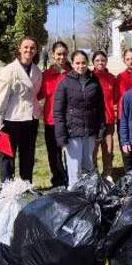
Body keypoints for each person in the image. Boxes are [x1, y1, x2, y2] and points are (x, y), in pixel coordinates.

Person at [0, 36, 43, 183]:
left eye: (32, 48)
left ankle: (26, 185)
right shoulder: (9, 70)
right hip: (10, 119)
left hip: (30, 120)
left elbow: (34, 96)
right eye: (26, 47)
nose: (29, 50)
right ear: (19, 49)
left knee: (28, 155)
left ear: (36, 50)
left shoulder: (37, 71)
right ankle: (7, 188)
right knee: (8, 156)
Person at [54, 50, 105, 186]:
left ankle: (89, 197)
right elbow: (58, 112)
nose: (81, 66)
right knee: (74, 169)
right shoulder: (65, 83)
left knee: (89, 166)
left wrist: (101, 129)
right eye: (77, 63)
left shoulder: (94, 81)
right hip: (73, 133)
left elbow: (100, 108)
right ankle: (74, 196)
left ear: (87, 63)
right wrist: (61, 136)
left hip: (90, 131)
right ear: (72, 64)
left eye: (83, 63)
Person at [38, 41, 71, 188]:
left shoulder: (74, 73)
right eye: (58, 54)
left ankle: (73, 178)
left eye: (64, 54)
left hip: (70, 119)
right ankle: (58, 179)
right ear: (53, 55)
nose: (62, 57)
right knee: (54, 153)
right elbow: (37, 95)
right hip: (51, 120)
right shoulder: (46, 75)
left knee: (71, 152)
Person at [91, 50, 117, 179]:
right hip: (94, 120)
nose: (100, 62)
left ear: (106, 61)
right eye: (97, 60)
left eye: (103, 60)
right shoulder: (89, 77)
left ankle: (107, 173)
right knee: (93, 150)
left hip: (108, 119)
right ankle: (94, 175)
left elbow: (116, 98)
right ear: (93, 63)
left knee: (108, 149)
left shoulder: (111, 78)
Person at [116, 48, 132, 171]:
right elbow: (116, 98)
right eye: (128, 59)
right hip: (124, 117)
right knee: (126, 149)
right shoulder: (120, 77)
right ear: (124, 61)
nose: (131, 61)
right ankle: (128, 174)